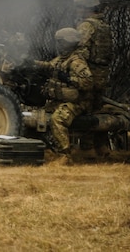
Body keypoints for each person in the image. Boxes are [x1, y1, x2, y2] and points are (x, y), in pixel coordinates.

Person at [34, 27, 94, 160]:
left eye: (60, 42)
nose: (58, 45)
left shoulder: (76, 61)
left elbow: (88, 82)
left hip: (78, 102)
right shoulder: (62, 59)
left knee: (57, 119)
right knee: (39, 116)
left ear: (68, 43)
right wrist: (32, 64)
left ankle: (64, 155)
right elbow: (49, 66)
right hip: (61, 101)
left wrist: (68, 79)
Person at [74, 0, 113, 156]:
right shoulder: (105, 26)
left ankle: (87, 148)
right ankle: (102, 146)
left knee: (86, 109)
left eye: (79, 8)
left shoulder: (86, 26)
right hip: (103, 72)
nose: (77, 11)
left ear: (85, 8)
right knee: (99, 108)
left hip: (89, 72)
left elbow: (81, 51)